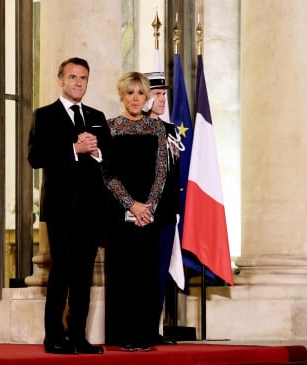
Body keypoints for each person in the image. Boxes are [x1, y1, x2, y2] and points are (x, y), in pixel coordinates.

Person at [27, 57, 110, 355]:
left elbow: (109, 161)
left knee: (84, 275)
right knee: (61, 271)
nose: (78, 83)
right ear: (60, 79)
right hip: (61, 208)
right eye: (73, 77)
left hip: (90, 209)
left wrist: (97, 151)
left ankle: (78, 336)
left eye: (83, 78)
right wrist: (74, 149)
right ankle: (54, 337)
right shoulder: (45, 115)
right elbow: (35, 158)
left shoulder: (97, 116)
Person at [102, 72, 168, 351]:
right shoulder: (110, 127)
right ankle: (123, 335)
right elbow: (107, 173)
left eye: (140, 93)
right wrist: (131, 205)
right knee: (121, 274)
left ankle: (143, 335)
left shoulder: (157, 128)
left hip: (149, 213)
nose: (135, 99)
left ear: (147, 97)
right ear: (122, 96)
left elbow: (161, 170)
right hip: (119, 212)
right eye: (130, 93)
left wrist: (148, 207)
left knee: (145, 275)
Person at [143, 72, 181, 346]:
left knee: (158, 272)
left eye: (164, 94)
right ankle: (138, 328)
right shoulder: (137, 127)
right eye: (157, 94)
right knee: (142, 272)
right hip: (143, 211)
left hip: (167, 211)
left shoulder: (170, 130)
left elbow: (174, 172)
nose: (161, 99)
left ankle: (153, 328)